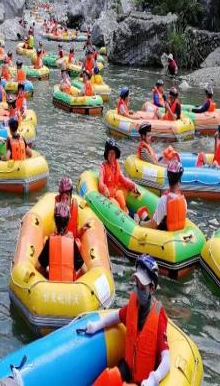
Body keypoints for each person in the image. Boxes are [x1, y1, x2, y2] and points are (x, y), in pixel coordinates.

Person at [86, 255, 170, 386]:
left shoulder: (158, 316)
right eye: (137, 285)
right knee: (109, 377)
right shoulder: (133, 305)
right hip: (127, 369)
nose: (138, 290)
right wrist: (97, 325)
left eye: (142, 287)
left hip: (144, 380)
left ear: (152, 288)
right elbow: (117, 316)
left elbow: (166, 358)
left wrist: (154, 378)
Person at [37, 202, 84, 282]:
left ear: (54, 220)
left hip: (50, 289)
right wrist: (75, 275)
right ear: (69, 220)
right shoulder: (72, 243)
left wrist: (48, 273)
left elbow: (38, 267)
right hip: (69, 288)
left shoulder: (49, 241)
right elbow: (84, 270)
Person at [138, 162, 187, 231]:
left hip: (163, 234)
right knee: (143, 213)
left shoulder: (164, 199)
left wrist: (140, 223)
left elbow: (153, 224)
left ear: (168, 176)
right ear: (180, 177)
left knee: (139, 213)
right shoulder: (183, 199)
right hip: (175, 234)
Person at [99, 139, 140, 212]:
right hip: (108, 197)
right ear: (106, 154)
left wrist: (133, 185)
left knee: (120, 195)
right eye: (110, 153)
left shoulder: (116, 165)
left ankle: (126, 213)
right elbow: (100, 182)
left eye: (113, 153)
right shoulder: (103, 167)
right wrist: (104, 188)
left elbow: (122, 179)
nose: (112, 155)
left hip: (115, 193)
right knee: (116, 205)